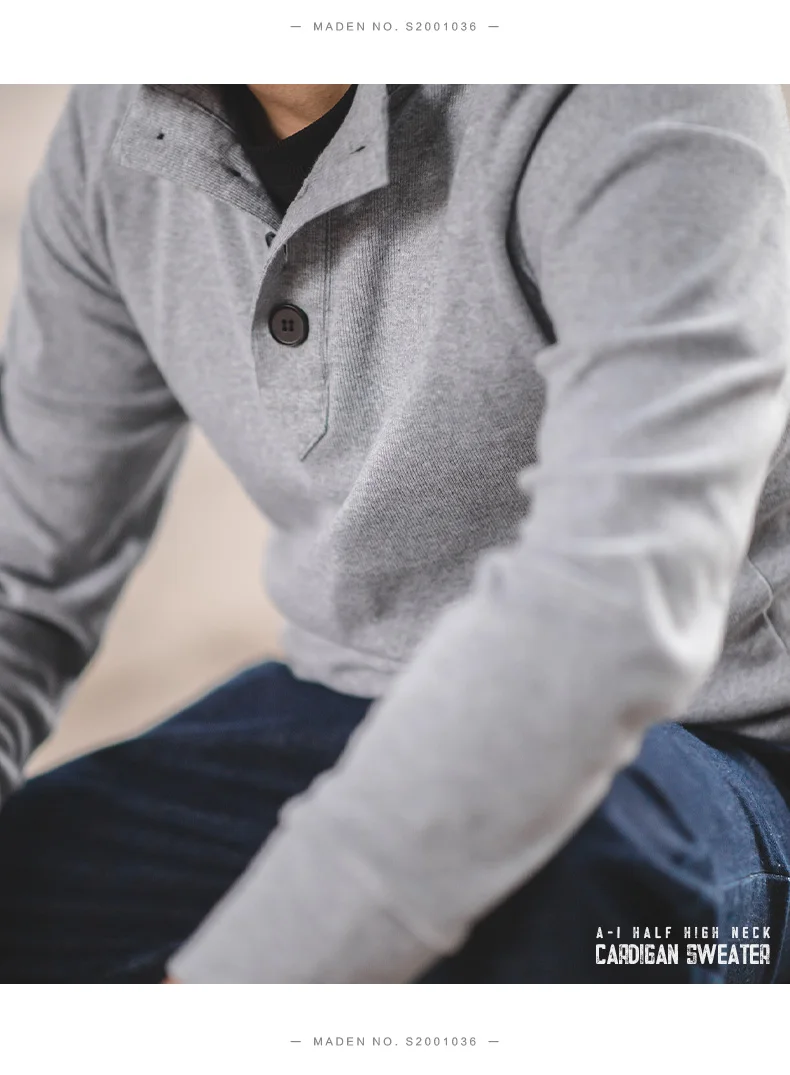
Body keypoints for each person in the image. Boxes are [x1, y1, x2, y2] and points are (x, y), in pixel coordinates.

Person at [0, 83, 789, 985]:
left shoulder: (647, 89)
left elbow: (607, 616)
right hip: (352, 699)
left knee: (560, 881)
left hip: (705, 748)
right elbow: (21, 575)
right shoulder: (119, 119)